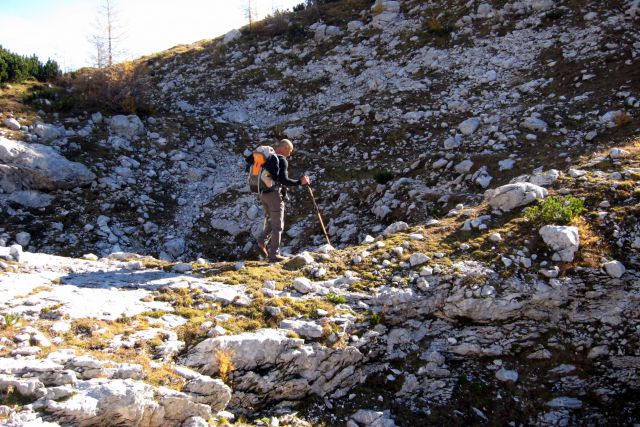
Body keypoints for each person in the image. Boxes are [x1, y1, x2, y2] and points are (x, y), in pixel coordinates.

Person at [248, 139, 310, 262]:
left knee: (271, 220)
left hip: (262, 194)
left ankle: (261, 242)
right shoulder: (281, 160)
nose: (290, 154)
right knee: (278, 225)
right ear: (285, 148)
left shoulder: (267, 158)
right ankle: (274, 254)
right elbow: (284, 180)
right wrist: (300, 182)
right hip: (274, 195)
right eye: (290, 151)